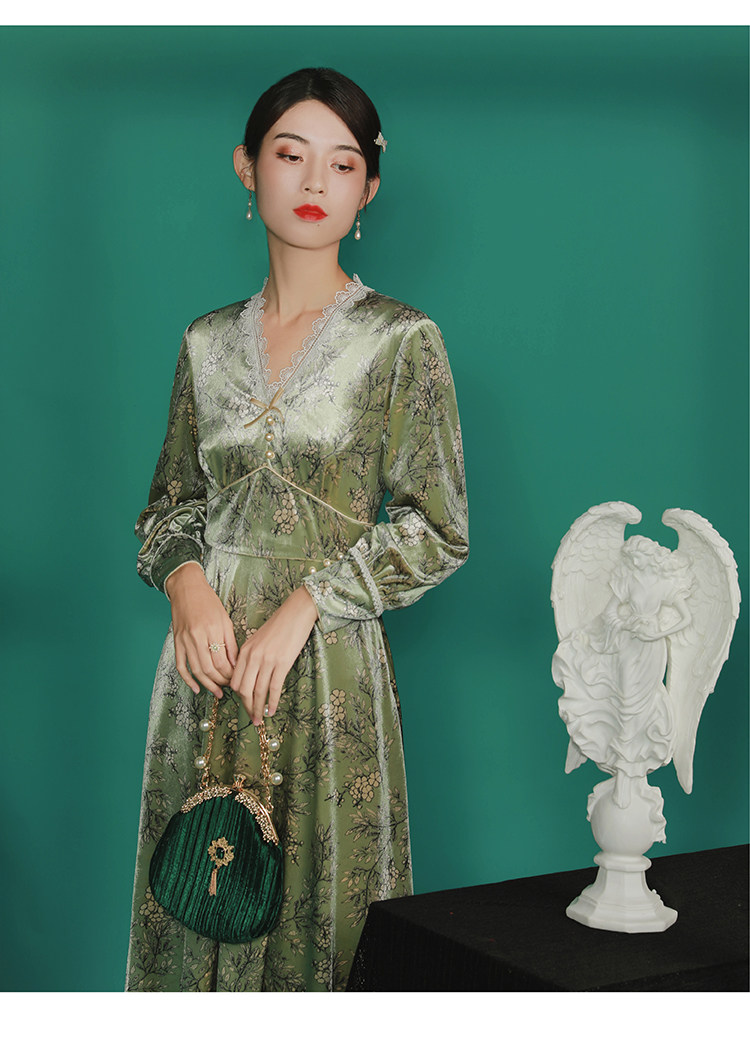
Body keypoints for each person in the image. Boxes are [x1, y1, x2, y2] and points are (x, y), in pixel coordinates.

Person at [125, 67, 469, 992]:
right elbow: (167, 507)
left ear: (368, 189)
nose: (316, 182)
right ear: (248, 168)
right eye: (291, 155)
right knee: (196, 895)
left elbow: (438, 528)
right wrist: (185, 584)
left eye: (343, 164)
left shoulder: (401, 339)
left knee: (323, 918)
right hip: (204, 671)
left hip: (327, 669)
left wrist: (308, 602)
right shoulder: (204, 343)